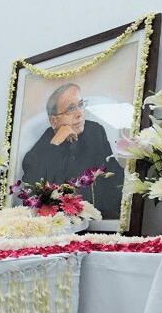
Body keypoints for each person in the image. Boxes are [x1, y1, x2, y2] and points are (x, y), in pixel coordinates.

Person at [20, 83, 124, 218]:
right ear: (53, 121)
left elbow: (114, 173)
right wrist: (55, 144)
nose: (79, 114)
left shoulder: (95, 131)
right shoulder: (34, 156)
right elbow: (36, 201)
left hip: (103, 219)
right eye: (70, 109)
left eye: (80, 105)